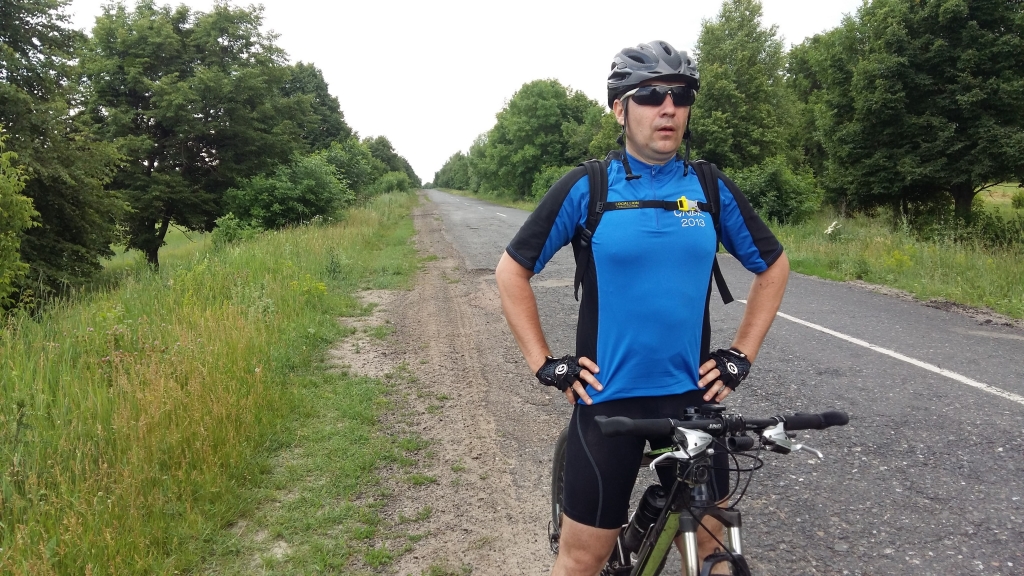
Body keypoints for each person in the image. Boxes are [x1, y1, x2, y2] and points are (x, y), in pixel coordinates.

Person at [494, 40, 790, 575]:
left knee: (715, 552)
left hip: (692, 401)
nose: (668, 108)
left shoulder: (708, 187)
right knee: (582, 559)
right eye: (651, 95)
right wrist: (546, 364)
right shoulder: (589, 187)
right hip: (608, 402)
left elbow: (773, 266)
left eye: (681, 96)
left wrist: (740, 355)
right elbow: (512, 270)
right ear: (620, 109)